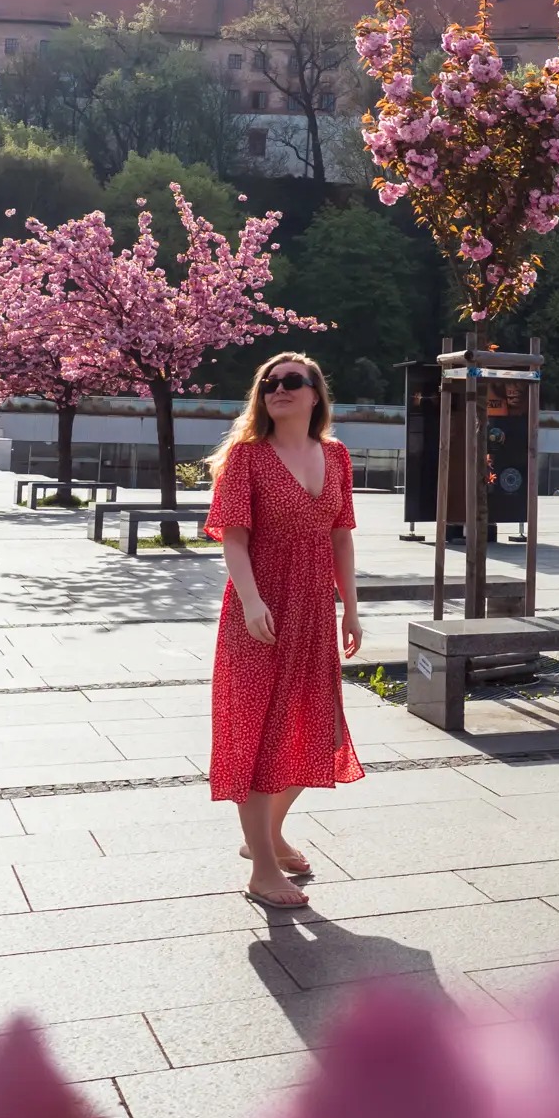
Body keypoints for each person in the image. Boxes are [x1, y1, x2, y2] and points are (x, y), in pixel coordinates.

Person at [204, 351, 364, 910]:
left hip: (315, 609)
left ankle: (265, 835)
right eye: (269, 383)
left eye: (292, 381)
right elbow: (233, 538)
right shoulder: (247, 457)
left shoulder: (337, 456)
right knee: (257, 733)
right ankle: (263, 871)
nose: (279, 389)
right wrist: (251, 601)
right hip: (261, 611)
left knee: (318, 731)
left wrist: (352, 607)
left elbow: (341, 536)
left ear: (316, 394)